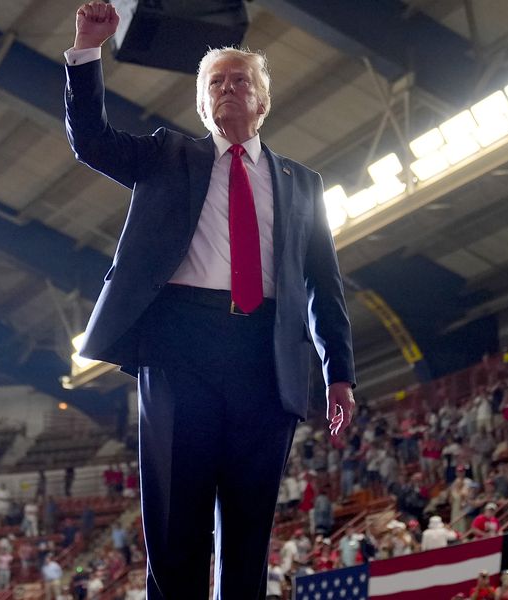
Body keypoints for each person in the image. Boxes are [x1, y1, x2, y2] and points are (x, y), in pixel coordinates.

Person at [65, 3, 356, 598]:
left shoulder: (304, 184)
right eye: (216, 82)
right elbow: (91, 141)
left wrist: (340, 373)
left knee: (248, 534)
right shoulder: (167, 156)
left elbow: (324, 285)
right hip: (181, 350)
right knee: (176, 529)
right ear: (203, 103)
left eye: (240, 79)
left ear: (262, 100)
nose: (229, 88)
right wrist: (88, 50)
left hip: (266, 355)